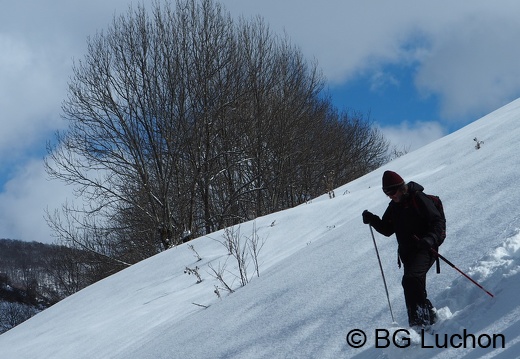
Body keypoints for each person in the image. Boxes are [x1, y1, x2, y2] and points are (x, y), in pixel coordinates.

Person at [362, 170, 444, 327]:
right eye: (387, 193)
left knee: (411, 280)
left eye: (392, 192)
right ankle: (423, 320)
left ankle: (423, 322)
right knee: (413, 285)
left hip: (425, 248)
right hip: (408, 254)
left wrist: (430, 239)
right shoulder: (394, 206)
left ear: (401, 187)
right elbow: (387, 229)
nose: (391, 196)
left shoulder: (418, 198)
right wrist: (372, 219)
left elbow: (437, 222)